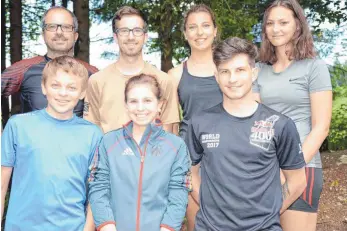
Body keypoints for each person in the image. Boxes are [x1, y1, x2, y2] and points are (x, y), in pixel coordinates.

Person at [187, 37, 307, 231]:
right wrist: (209, 206)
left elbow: (298, 181)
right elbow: (189, 173)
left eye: (240, 70)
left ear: (253, 73)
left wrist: (268, 215)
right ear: (216, 76)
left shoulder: (280, 125)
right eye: (225, 71)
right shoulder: (200, 122)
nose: (232, 79)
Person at [253, 0, 332, 230]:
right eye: (270, 23)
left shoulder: (313, 67)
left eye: (283, 22)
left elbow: (321, 127)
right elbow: (255, 119)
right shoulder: (260, 69)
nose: (275, 28)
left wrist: (290, 168)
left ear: (297, 25)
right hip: (265, 168)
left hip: (303, 167)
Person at [1, 56, 102, 231]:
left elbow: (96, 190)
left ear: (83, 92)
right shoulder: (18, 126)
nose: (63, 93)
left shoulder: (93, 134)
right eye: (56, 85)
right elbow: (1, 184)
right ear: (44, 87)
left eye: (72, 87)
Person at [88, 74, 191, 231]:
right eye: (134, 101)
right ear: (126, 105)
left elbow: (178, 194)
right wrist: (107, 227)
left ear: (160, 105)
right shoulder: (108, 142)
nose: (140, 108)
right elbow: (98, 188)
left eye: (147, 100)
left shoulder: (176, 146)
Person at [168, 4, 222, 231]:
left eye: (205, 26)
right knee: (197, 225)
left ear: (215, 30)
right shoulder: (175, 74)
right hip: (191, 162)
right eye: (193, 27)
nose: (199, 33)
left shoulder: (229, 69)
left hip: (228, 158)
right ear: (185, 33)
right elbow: (170, 126)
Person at [83, 6, 179, 134]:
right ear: (115, 37)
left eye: (137, 30)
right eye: (124, 31)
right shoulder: (96, 81)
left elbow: (171, 134)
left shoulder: (164, 81)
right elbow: (91, 132)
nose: (131, 37)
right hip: (110, 153)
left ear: (145, 36)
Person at [1, 6, 98, 119]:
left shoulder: (92, 73)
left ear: (75, 36)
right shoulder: (22, 69)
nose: (59, 32)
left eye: (66, 27)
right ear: (43, 35)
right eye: (52, 27)